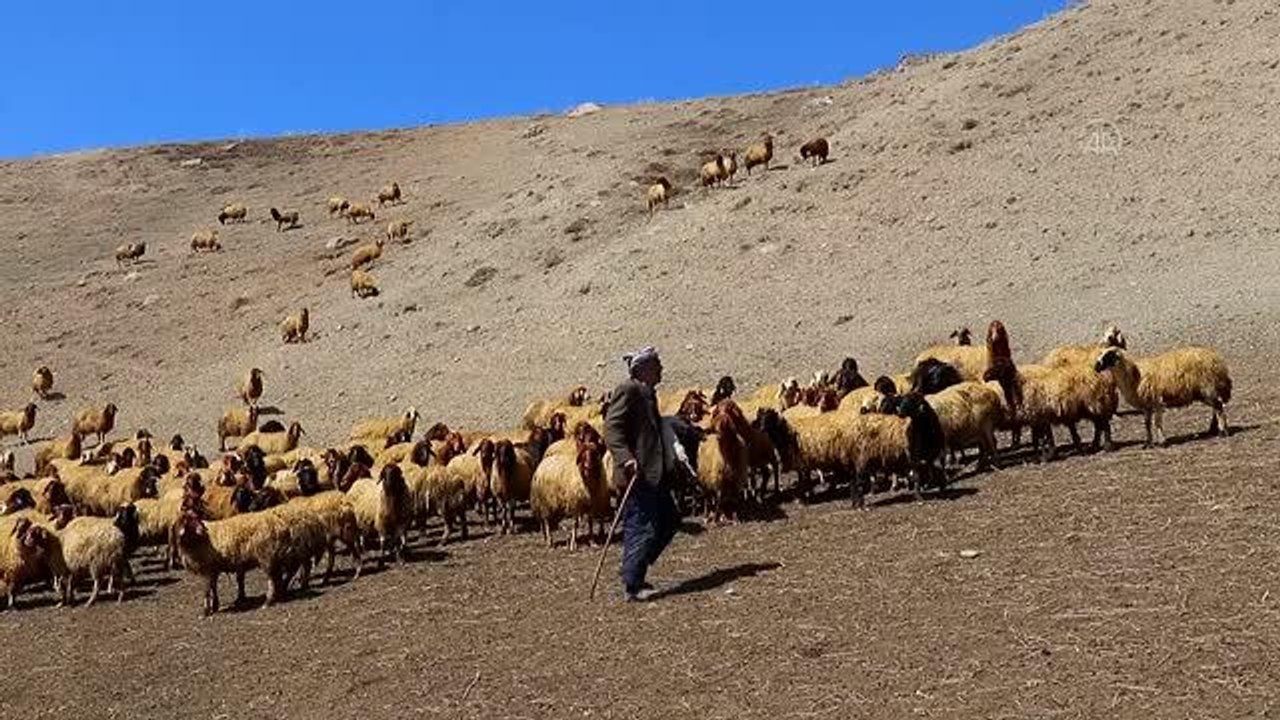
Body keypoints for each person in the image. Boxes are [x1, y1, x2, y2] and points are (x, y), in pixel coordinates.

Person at [604, 345, 680, 602]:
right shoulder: (628, 390)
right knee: (642, 527)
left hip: (654, 472)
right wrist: (625, 459)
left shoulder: (648, 393)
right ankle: (633, 585)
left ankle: (632, 567)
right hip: (637, 474)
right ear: (643, 368)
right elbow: (612, 429)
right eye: (657, 365)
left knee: (670, 520)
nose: (661, 369)